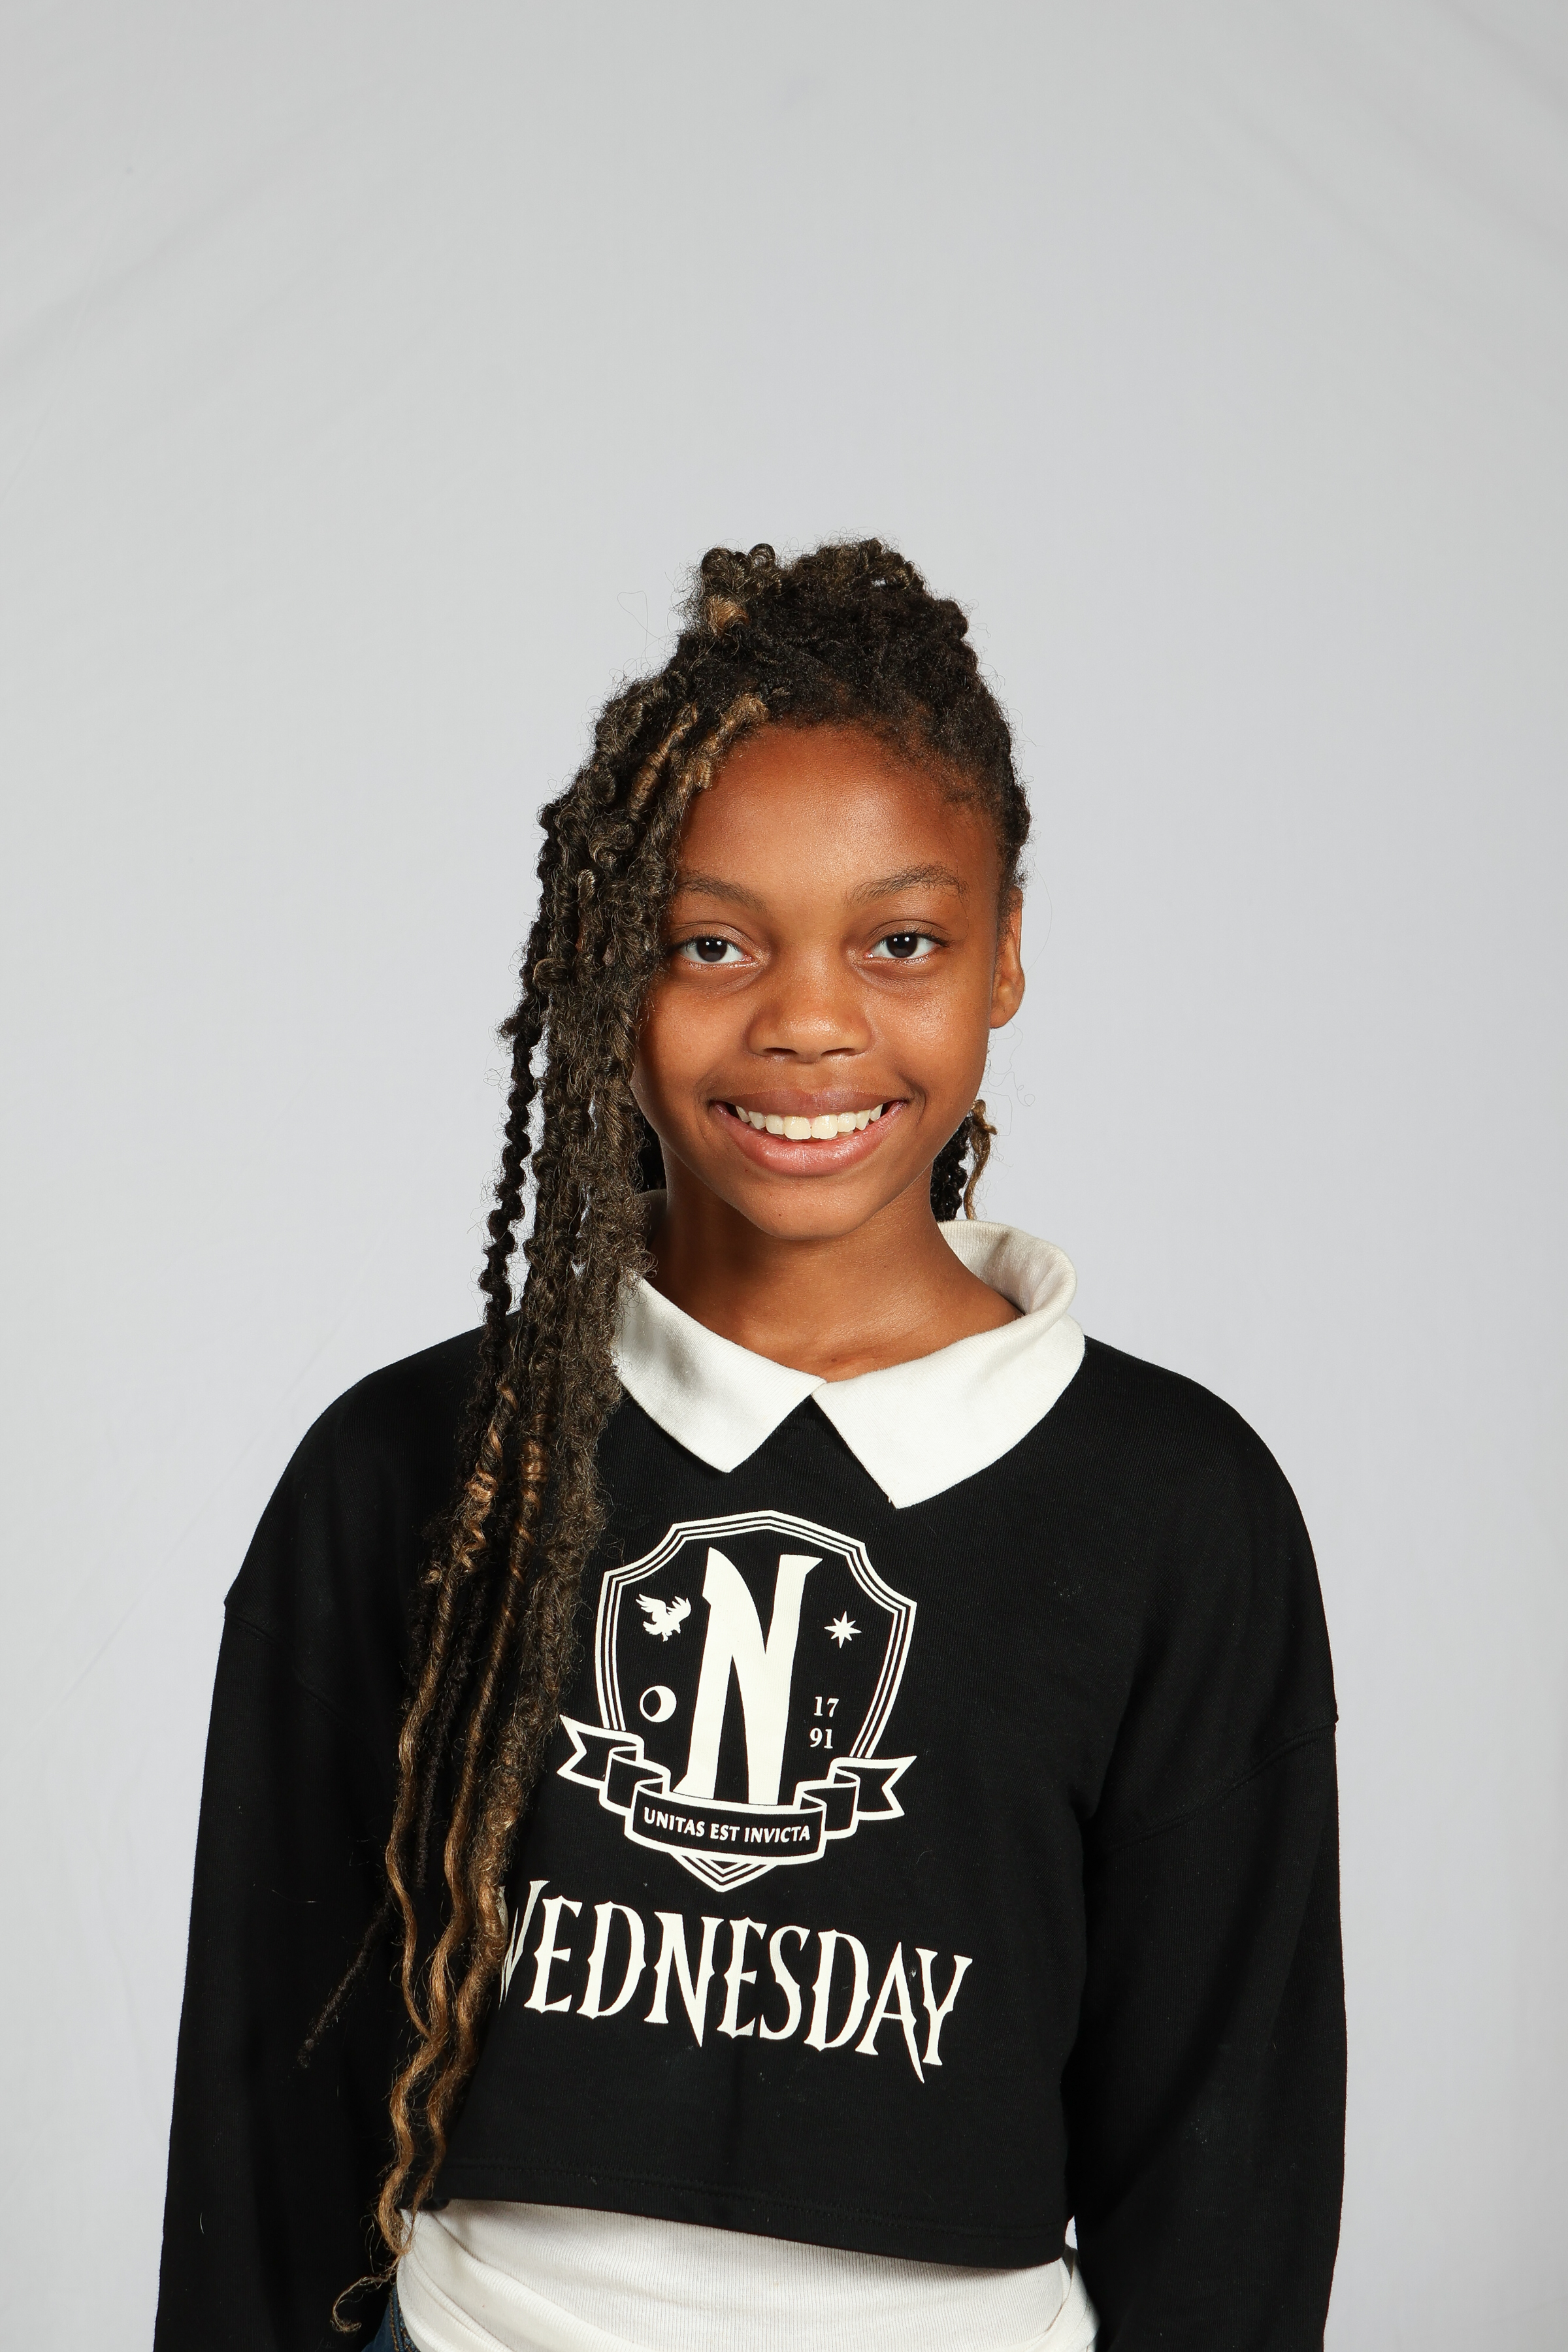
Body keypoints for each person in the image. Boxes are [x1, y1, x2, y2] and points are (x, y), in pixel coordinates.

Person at [154, 541, 1344, 2352]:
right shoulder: (414, 1469)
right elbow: (265, 2115)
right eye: (711, 942)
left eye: (901, 941)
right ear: (606, 961)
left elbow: (1227, 2174)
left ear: (1007, 956)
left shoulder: (1179, 1512)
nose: (807, 1019)